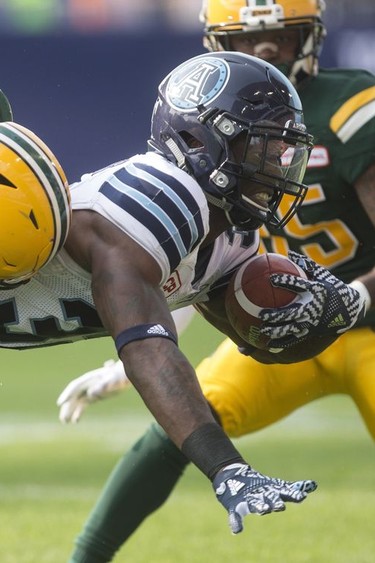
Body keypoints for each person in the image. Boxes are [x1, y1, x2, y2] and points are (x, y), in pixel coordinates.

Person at [56, 1, 375, 561]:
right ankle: (85, 557)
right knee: (186, 419)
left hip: (365, 324)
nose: (267, 49)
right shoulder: (219, 116)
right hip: (273, 312)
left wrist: (355, 297)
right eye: (249, 36)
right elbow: (199, 264)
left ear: (311, 34)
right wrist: (134, 354)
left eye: (281, 32)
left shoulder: (353, 106)